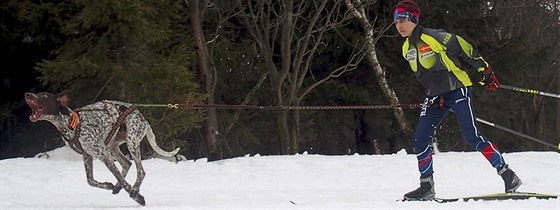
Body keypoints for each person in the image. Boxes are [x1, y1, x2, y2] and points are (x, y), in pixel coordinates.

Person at [392, 0, 522, 200]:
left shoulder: (431, 36)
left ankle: (507, 174)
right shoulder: (405, 48)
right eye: (396, 21)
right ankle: (427, 186)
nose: (399, 25)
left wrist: (484, 69)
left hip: (457, 89)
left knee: (471, 136)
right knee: (420, 139)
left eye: (403, 20)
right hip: (436, 96)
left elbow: (461, 45)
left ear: (413, 19)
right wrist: (435, 95)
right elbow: (426, 75)